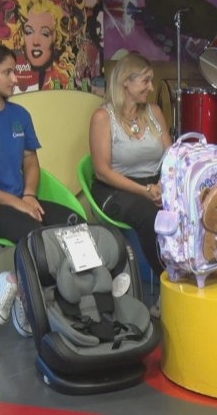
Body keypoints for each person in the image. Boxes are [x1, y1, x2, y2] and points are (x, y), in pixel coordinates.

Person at [0, 43, 84, 337]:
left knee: (76, 225)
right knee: (37, 237)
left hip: (20, 199)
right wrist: (15, 202)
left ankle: (14, 281)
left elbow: (31, 162)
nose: (15, 78)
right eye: (7, 72)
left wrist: (29, 195)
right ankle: (29, 302)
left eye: (14, 71)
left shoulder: (19, 114)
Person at [88, 52, 172, 317]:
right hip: (115, 188)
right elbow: (102, 171)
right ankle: (170, 284)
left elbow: (171, 156)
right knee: (149, 214)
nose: (151, 87)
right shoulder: (103, 117)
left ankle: (187, 276)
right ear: (126, 82)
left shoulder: (154, 112)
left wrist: (164, 184)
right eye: (145, 81)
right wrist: (146, 192)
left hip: (154, 184)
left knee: (185, 207)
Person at [14, 0, 73, 92]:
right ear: (22, 34)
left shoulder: (62, 80)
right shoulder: (12, 75)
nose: (36, 42)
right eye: (29, 32)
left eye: (45, 33)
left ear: (56, 38)